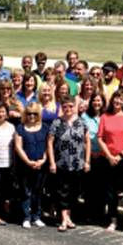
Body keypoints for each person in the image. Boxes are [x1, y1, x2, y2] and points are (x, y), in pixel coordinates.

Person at [48, 97, 91, 232]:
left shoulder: (82, 123)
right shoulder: (57, 123)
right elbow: (50, 142)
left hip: (78, 163)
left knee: (74, 191)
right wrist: (52, 162)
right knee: (62, 192)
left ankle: (68, 217)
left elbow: (87, 142)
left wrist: (87, 160)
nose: (68, 109)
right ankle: (64, 218)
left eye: (71, 106)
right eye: (65, 106)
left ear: (75, 107)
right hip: (61, 162)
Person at [97, 91, 123, 232]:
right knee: (111, 192)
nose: (118, 102)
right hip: (109, 160)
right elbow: (100, 138)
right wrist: (109, 156)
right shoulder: (105, 117)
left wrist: (121, 155)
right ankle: (113, 220)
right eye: (116, 99)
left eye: (121, 100)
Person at [15, 102, 48, 229]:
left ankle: (37, 216)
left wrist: (44, 159)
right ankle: (26, 217)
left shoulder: (45, 127)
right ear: (25, 114)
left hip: (41, 165)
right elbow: (18, 147)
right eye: (29, 114)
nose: (32, 116)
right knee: (25, 192)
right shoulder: (20, 127)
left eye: (35, 114)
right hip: (25, 165)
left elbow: (48, 146)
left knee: (38, 191)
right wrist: (28, 162)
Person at [81, 92, 106, 225]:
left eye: (99, 101)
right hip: (89, 155)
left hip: (103, 155)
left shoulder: (106, 116)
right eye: (95, 101)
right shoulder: (84, 117)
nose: (97, 103)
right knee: (89, 187)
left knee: (101, 187)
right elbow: (83, 137)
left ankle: (100, 214)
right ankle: (88, 213)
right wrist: (90, 152)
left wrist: (101, 151)